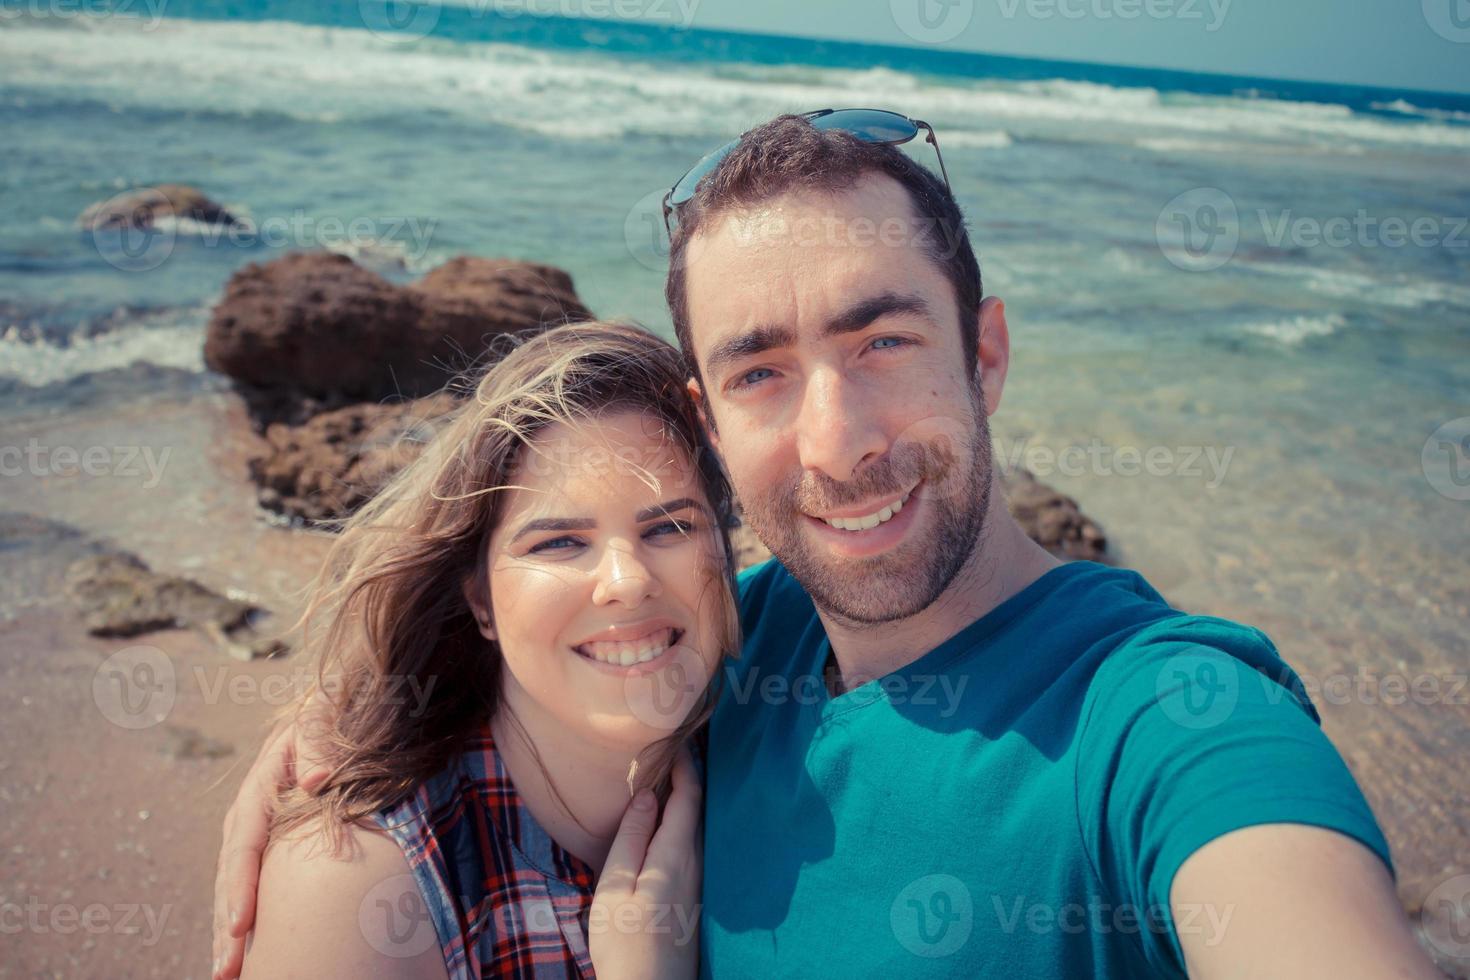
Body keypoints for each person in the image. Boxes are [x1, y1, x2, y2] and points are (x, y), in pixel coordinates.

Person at [216, 112, 1445, 978]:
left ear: (987, 353)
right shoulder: (735, 647)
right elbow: (566, 634)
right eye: (761, 369)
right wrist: (332, 727)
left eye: (883, 342)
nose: (836, 440)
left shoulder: (1167, 721)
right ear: (708, 417)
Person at [233, 322, 738, 979]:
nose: (627, 581)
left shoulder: (778, 720)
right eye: (558, 542)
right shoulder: (359, 884)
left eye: (670, 526)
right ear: (480, 598)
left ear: (726, 553)